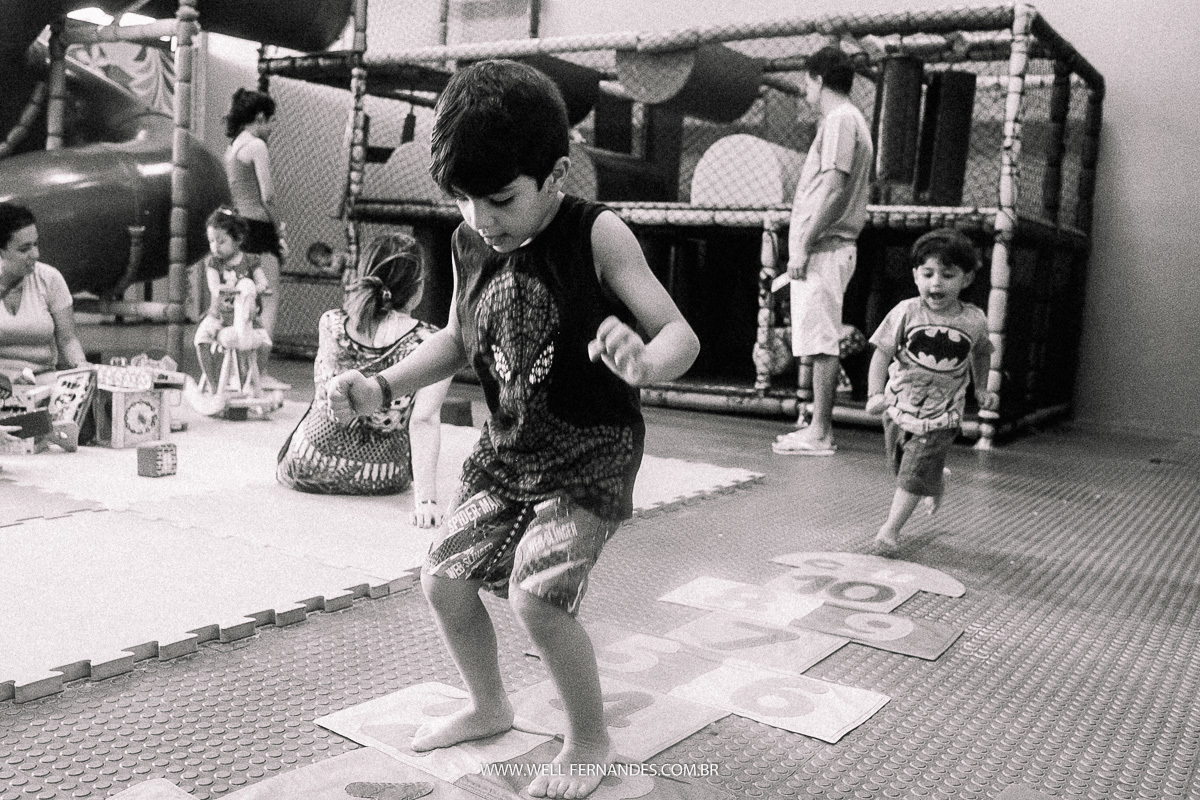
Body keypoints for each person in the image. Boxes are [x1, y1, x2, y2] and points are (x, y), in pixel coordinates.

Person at [327, 60, 699, 799]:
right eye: (463, 201)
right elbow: (457, 340)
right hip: (506, 454)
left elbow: (679, 334)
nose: (481, 218)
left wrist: (646, 359)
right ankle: (488, 703)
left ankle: (589, 741)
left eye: (499, 199)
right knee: (443, 578)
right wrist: (379, 386)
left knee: (536, 596)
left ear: (556, 172)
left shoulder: (599, 234)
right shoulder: (473, 243)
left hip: (590, 454)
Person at [278, 233, 450, 525]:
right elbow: (424, 420)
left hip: (306, 465)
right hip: (382, 477)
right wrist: (426, 502)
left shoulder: (330, 322)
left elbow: (322, 396)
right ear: (417, 288)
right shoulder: (432, 342)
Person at [865, 228, 998, 552]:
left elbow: (981, 352)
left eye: (947, 275)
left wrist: (981, 388)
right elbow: (882, 352)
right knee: (901, 469)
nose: (936, 283)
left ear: (966, 279)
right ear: (915, 275)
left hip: (942, 415)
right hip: (898, 408)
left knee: (911, 476)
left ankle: (889, 531)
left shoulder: (973, 319)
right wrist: (875, 394)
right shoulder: (906, 312)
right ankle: (935, 479)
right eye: (928, 274)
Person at [773, 45, 874, 456]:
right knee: (817, 340)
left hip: (826, 247)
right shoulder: (850, 121)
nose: (805, 91)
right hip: (829, 246)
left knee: (821, 341)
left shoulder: (839, 120)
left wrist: (804, 243)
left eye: (806, 82)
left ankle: (820, 431)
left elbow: (832, 188)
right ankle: (816, 427)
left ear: (816, 79)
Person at [223, 87, 288, 390]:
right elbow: (268, 195)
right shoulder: (257, 146)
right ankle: (259, 373)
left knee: (244, 302)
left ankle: (240, 372)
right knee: (269, 299)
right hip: (259, 229)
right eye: (271, 121)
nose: (272, 128)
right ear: (260, 118)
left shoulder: (233, 147)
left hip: (239, 228)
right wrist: (279, 229)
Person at [0, 203, 88, 382]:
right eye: (24, 249)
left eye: (36, 244)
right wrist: (7, 378)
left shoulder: (50, 278)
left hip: (43, 379)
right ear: (1, 251)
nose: (36, 254)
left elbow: (68, 340)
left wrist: (83, 368)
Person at [192, 207, 271, 394]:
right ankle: (213, 384)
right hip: (219, 315)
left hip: (246, 317)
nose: (215, 247)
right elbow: (214, 287)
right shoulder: (214, 263)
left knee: (266, 344)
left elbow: (263, 282)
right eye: (211, 241)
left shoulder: (251, 260)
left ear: (238, 240)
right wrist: (230, 288)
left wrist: (253, 287)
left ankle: (249, 381)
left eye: (221, 241)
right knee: (200, 340)